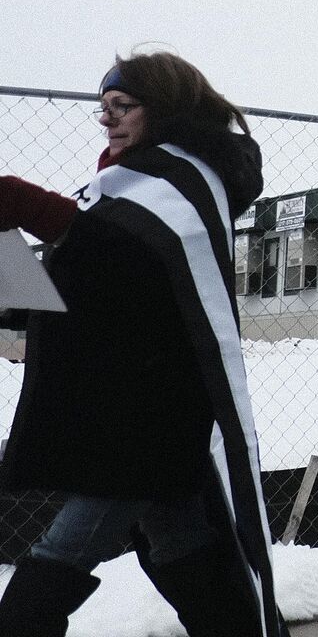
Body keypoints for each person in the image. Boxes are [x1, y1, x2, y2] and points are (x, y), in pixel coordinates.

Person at [0, 52, 287, 636]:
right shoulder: (120, 189)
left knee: (62, 553)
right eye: (102, 110)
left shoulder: (180, 180)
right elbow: (86, 288)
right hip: (130, 410)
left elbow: (109, 256)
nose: (108, 120)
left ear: (166, 109)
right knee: (179, 540)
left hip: (141, 419)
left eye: (122, 107)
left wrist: (27, 204)